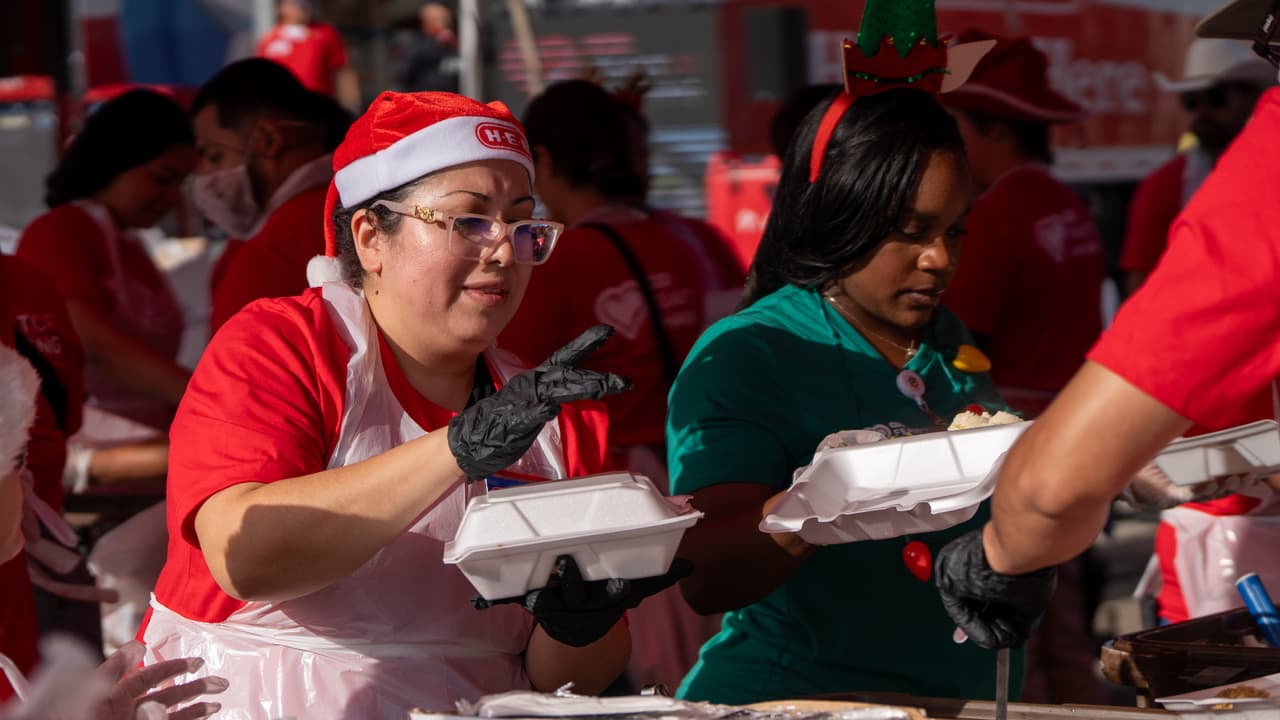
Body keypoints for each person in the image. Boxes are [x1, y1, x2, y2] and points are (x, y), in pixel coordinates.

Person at [141, 91, 684, 718]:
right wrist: (457, 449)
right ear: (371, 237)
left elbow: (568, 678)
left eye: (523, 223)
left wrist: (581, 622)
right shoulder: (281, 347)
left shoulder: (554, 417)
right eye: (470, 221)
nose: (505, 251)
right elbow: (245, 556)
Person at [666, 1, 1014, 700]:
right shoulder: (752, 352)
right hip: (796, 701)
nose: (939, 259)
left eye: (956, 231)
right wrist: (815, 506)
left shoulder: (945, 339)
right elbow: (706, 575)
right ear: (839, 218)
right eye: (911, 232)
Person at [934, 0, 1280, 651]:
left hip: (1064, 457)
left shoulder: (1002, 213)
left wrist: (996, 549)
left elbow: (1051, 486)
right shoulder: (1070, 200)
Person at [501, 79, 712, 482]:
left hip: (606, 481)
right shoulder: (682, 243)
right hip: (691, 463)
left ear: (543, 162)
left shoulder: (557, 261)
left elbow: (511, 381)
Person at [941, 30, 1104, 420]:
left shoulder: (994, 214)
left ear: (996, 128)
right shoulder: (1066, 201)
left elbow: (960, 344)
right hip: (1075, 409)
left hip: (1011, 422)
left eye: (951, 125)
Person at [16, 89, 195, 433]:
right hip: (87, 445)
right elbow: (94, 344)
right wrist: (208, 397)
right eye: (161, 179)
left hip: (143, 437)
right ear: (115, 160)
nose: (173, 198)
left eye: (181, 183)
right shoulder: (60, 231)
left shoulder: (128, 242)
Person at [190, 58, 345, 334]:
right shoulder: (359, 204)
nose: (205, 177)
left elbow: (233, 371)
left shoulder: (271, 248)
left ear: (268, 139)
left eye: (215, 156)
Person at [1118, 37, 1274, 295]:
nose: (1201, 112)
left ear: (1250, 98)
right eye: (1191, 101)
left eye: (1216, 98)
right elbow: (1139, 284)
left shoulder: (1269, 168)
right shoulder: (1165, 185)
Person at [256, 0, 359, 111]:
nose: (302, 6)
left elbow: (342, 73)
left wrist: (350, 106)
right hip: (281, 110)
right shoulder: (269, 40)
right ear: (281, 7)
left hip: (318, 109)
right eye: (295, 3)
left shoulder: (326, 34)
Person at [395, 2, 461, 93]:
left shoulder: (454, 42)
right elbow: (407, 73)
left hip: (454, 98)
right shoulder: (417, 43)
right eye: (437, 19)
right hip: (426, 98)